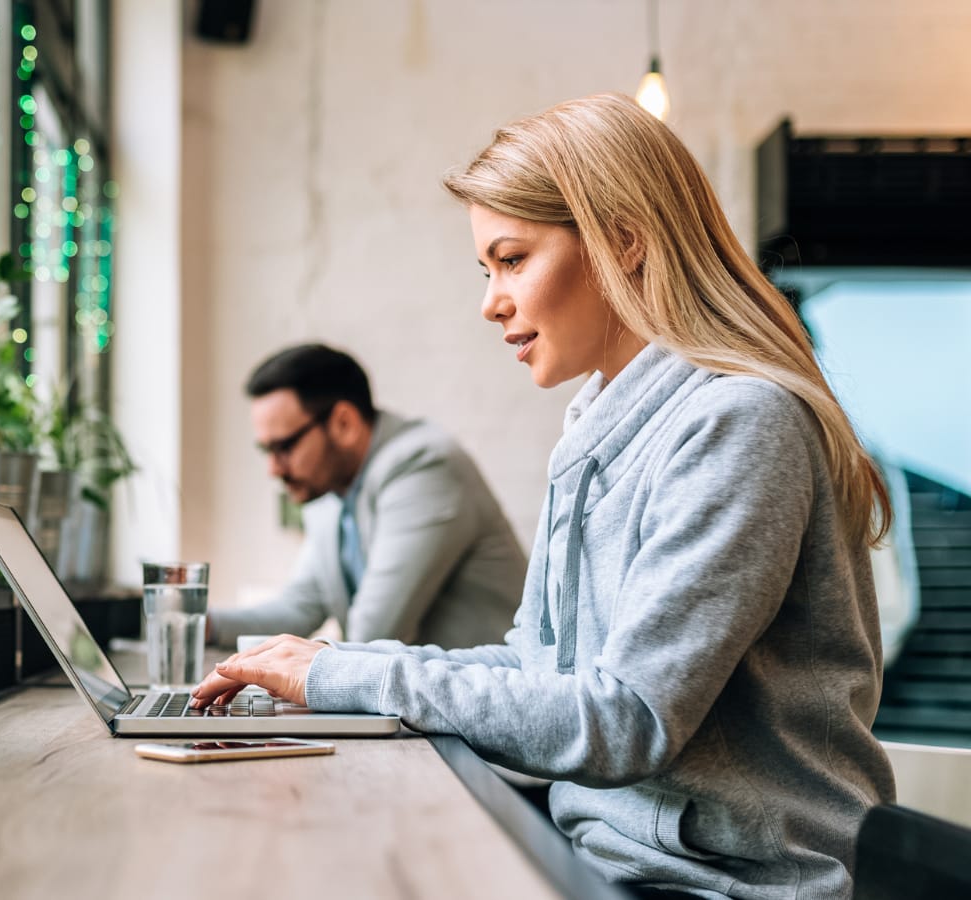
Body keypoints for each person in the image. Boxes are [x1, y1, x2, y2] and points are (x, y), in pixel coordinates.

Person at [193, 94, 896, 900]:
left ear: (623, 240)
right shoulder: (593, 428)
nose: (490, 300)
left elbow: (627, 719)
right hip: (606, 858)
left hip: (724, 886)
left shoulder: (741, 421)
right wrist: (334, 663)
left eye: (512, 259)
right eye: (485, 269)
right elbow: (537, 665)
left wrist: (341, 677)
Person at [207, 343, 527, 650]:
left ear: (344, 423)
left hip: (491, 697)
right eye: (266, 450)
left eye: (284, 448)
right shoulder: (330, 493)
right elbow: (298, 609)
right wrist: (196, 623)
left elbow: (375, 635)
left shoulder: (423, 467)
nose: (273, 469)